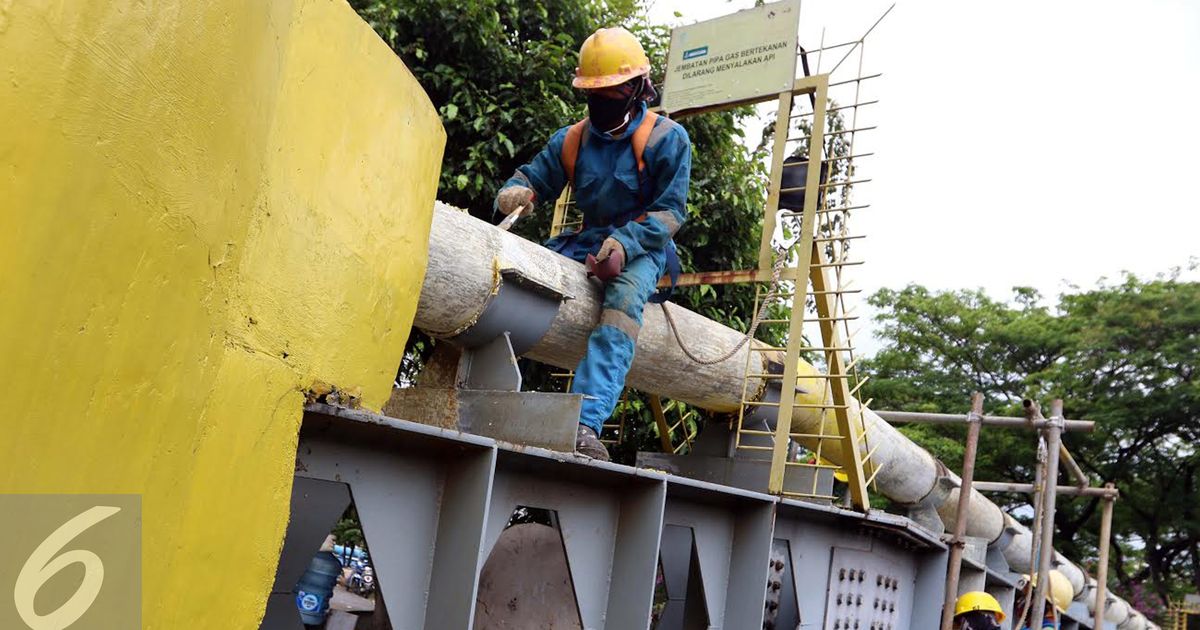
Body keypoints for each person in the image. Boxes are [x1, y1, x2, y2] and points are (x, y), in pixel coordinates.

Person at [494, 27, 691, 461]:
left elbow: (669, 213)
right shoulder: (572, 139)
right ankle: (494, 394)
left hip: (643, 245)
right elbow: (534, 177)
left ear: (638, 87)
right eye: (595, 92)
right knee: (528, 273)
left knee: (620, 304)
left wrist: (624, 245)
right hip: (589, 237)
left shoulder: (666, 138)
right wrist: (516, 192)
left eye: (613, 91)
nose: (603, 100)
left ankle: (584, 422)